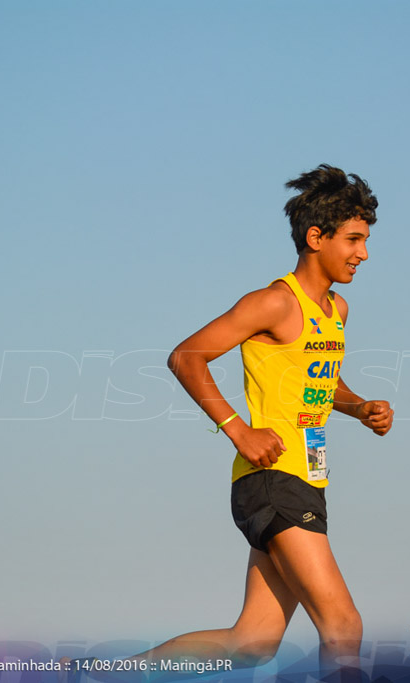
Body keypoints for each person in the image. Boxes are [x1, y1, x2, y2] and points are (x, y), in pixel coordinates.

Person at [129, 164, 393, 680]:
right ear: (317, 237)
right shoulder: (274, 301)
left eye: (366, 240)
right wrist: (238, 428)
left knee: (251, 643)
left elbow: (316, 379)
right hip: (274, 480)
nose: (364, 253)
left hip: (304, 481)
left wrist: (358, 406)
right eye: (354, 239)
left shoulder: (336, 309)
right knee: (343, 624)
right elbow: (187, 357)